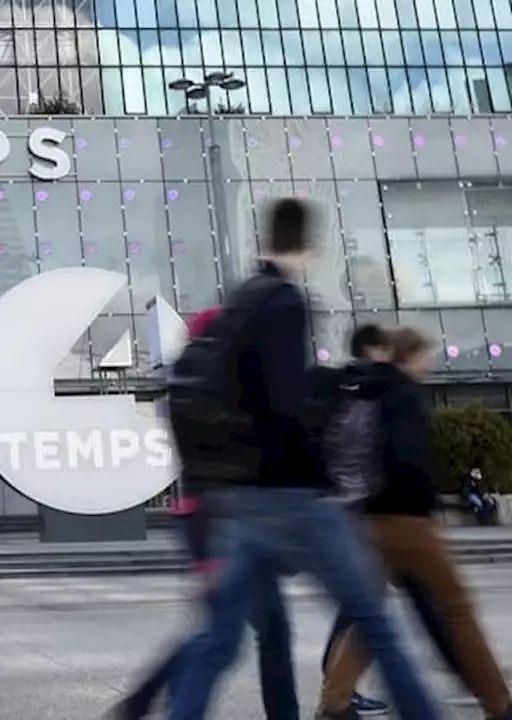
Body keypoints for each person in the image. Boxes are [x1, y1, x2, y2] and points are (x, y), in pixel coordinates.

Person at [166, 199, 437, 720]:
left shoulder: (241, 299)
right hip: (289, 497)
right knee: (373, 621)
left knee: (220, 641)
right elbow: (286, 404)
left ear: (265, 238)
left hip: (237, 502)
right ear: (310, 246)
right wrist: (323, 480)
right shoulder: (286, 301)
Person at [109, 307, 298, 720]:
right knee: (229, 637)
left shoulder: (189, 379)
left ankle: (146, 702)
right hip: (226, 519)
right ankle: (149, 702)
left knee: (236, 633)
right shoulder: (217, 381)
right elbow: (223, 456)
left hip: (209, 516)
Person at [318, 327, 512, 720]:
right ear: (410, 356)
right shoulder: (403, 393)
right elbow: (408, 459)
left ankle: (334, 703)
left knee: (369, 615)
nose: (430, 364)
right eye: (426, 356)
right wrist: (427, 502)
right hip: (406, 520)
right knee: (457, 609)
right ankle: (499, 704)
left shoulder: (363, 390)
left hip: (364, 518)